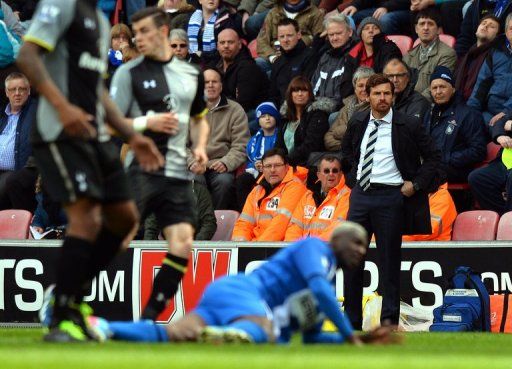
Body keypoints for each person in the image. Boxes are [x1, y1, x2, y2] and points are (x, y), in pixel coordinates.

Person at [17, 0, 164, 342]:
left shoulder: (99, 23)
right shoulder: (61, 5)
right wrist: (63, 106)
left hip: (93, 135)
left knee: (125, 219)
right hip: (60, 130)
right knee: (86, 217)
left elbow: (97, 92)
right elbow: (27, 56)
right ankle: (62, 318)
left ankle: (68, 295)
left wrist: (131, 136)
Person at [87, 222, 398, 346]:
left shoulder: (326, 288)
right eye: (356, 243)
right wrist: (348, 333)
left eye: (364, 247)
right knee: (263, 331)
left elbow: (311, 338)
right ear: (337, 239)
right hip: (243, 293)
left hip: (227, 296)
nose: (360, 251)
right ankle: (227, 334)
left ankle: (103, 327)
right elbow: (318, 291)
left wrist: (354, 339)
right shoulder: (314, 249)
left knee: (175, 333)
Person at [109, 7, 209, 321]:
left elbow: (199, 120)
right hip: (143, 166)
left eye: (143, 32)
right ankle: (66, 297)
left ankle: (150, 316)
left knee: (182, 243)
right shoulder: (129, 73)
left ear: (163, 32)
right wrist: (147, 121)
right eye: (135, 33)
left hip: (177, 171)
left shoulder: (189, 75)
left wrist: (202, 146)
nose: (137, 39)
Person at [341, 73, 441, 329]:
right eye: (377, 93)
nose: (382, 98)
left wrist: (415, 185)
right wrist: (353, 179)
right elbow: (347, 155)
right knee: (352, 260)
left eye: (387, 93)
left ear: (393, 96)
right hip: (361, 196)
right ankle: (351, 322)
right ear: (367, 95)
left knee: (389, 263)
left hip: (391, 197)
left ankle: (388, 322)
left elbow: (433, 158)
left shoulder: (408, 124)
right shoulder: (358, 120)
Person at [188, 67, 250, 210]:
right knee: (193, 180)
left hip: (221, 165)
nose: (210, 85)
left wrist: (226, 162)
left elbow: (241, 145)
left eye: (214, 82)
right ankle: (199, 225)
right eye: (206, 82)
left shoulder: (235, 110)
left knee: (224, 183)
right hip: (194, 165)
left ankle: (219, 224)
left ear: (221, 86)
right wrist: (191, 162)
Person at [425, 66, 487, 183]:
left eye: (442, 87)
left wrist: (448, 158)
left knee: (424, 175)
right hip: (433, 167)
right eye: (434, 88)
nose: (438, 91)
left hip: (457, 170)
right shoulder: (429, 113)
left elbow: (478, 150)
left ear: (453, 89)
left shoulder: (468, 114)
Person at [232, 148, 307, 241]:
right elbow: (244, 223)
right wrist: (241, 247)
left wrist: (256, 249)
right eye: (268, 166)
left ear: (287, 167)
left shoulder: (295, 187)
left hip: (277, 248)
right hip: (256, 246)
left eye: (277, 165)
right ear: (262, 169)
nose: (272, 170)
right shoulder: (257, 190)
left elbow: (279, 225)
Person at [285, 154, 351, 241]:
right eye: (326, 171)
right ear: (318, 175)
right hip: (303, 249)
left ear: (341, 174)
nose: (331, 174)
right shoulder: (308, 195)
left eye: (335, 171)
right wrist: (294, 249)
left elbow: (336, 228)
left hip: (328, 250)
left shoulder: (346, 195)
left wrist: (313, 247)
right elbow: (295, 226)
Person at [216, 28, 269, 132]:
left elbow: (242, 104)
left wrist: (219, 100)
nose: (226, 46)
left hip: (252, 114)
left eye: (230, 42)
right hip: (228, 111)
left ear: (240, 45)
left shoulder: (248, 67)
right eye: (222, 43)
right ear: (217, 46)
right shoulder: (216, 67)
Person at [468, 13, 512, 128]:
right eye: (511, 28)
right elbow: (482, 84)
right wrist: (471, 111)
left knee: (500, 127)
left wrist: (507, 112)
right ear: (506, 32)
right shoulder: (496, 53)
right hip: (490, 113)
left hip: (508, 114)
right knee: (468, 123)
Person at [256, 0, 324, 74]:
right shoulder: (274, 12)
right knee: (257, 64)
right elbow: (262, 40)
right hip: (275, 56)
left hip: (299, 59)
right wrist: (273, 57)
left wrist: (306, 42)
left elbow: (319, 41)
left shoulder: (315, 13)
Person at [276, 76, 331, 167]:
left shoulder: (317, 114)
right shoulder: (285, 118)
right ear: (290, 94)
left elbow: (311, 145)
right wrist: (274, 159)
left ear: (310, 94)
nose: (300, 94)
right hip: (287, 164)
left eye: (304, 90)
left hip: (308, 165)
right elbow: (279, 146)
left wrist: (286, 160)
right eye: (296, 90)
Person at [234, 101, 280, 212]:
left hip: (274, 170)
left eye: (270, 115)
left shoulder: (280, 136)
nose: (267, 118)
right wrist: (255, 164)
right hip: (255, 170)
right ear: (258, 121)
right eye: (263, 116)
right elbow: (250, 158)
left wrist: (266, 165)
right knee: (242, 180)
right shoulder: (254, 139)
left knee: (266, 182)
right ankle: (246, 212)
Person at [0, 72, 36, 209]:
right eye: (12, 89)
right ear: (6, 92)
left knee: (11, 180)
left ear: (29, 91)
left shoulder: (35, 110)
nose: (17, 93)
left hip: (21, 170)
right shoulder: (2, 115)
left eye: (22, 89)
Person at [403, 8, 457, 99]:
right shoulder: (408, 56)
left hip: (429, 105)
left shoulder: (448, 54)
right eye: (422, 24)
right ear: (416, 29)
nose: (425, 28)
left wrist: (414, 103)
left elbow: (439, 87)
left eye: (430, 24)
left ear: (438, 30)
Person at [310, 14, 358, 114]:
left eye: (338, 33)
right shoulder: (325, 56)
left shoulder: (355, 54)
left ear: (350, 32)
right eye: (331, 35)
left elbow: (348, 93)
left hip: (343, 110)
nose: (334, 38)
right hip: (320, 107)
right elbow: (314, 86)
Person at [468, 113, 512, 214]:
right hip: (505, 162)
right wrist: (500, 136)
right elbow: (499, 122)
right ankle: (500, 216)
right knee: (477, 178)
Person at [268, 18, 315, 107]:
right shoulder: (277, 62)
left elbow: (308, 91)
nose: (285, 40)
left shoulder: (310, 57)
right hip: (280, 113)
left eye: (289, 35)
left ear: (299, 35)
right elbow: (272, 95)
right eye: (282, 36)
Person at [324, 66, 373, 152]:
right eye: (360, 86)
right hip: (343, 152)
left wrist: (341, 131)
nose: (364, 89)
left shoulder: (376, 108)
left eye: (368, 86)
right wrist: (347, 145)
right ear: (355, 89)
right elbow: (328, 138)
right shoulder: (347, 107)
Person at [455, 14, 500, 101]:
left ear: (496, 36)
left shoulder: (494, 58)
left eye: (492, 26)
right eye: (483, 23)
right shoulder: (469, 54)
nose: (486, 26)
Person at [341, 0, 411, 35]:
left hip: (405, 9)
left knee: (385, 20)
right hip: (382, 7)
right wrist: (355, 6)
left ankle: (386, 50)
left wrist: (387, 7)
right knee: (349, 16)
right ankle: (353, 49)